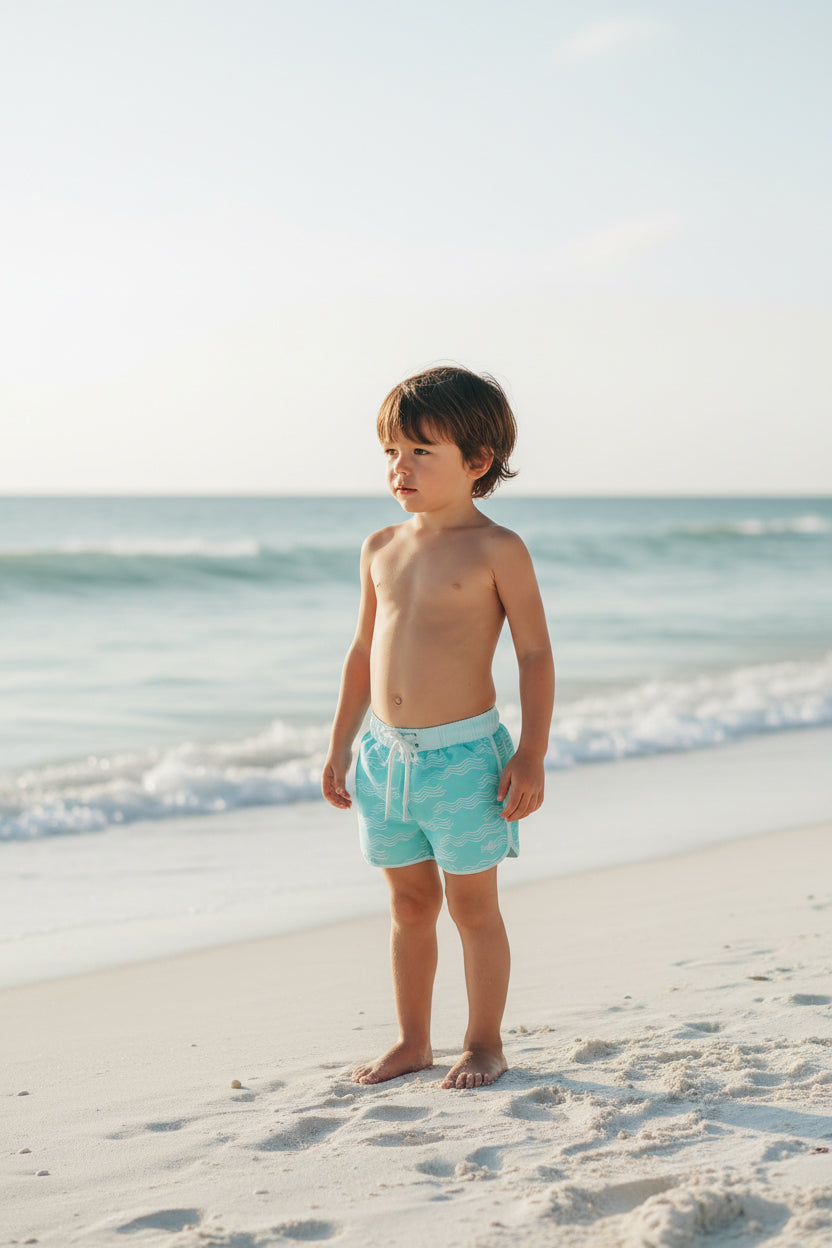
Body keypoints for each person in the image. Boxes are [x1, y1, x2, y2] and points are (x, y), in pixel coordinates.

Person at [322, 365, 554, 1091]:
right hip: (383, 759)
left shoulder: (497, 549)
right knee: (409, 902)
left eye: (421, 451)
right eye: (392, 450)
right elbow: (363, 652)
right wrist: (339, 745)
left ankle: (484, 1042)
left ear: (476, 462)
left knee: (472, 906)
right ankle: (412, 1040)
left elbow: (536, 654)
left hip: (463, 761)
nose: (401, 467)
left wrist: (532, 755)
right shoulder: (381, 546)